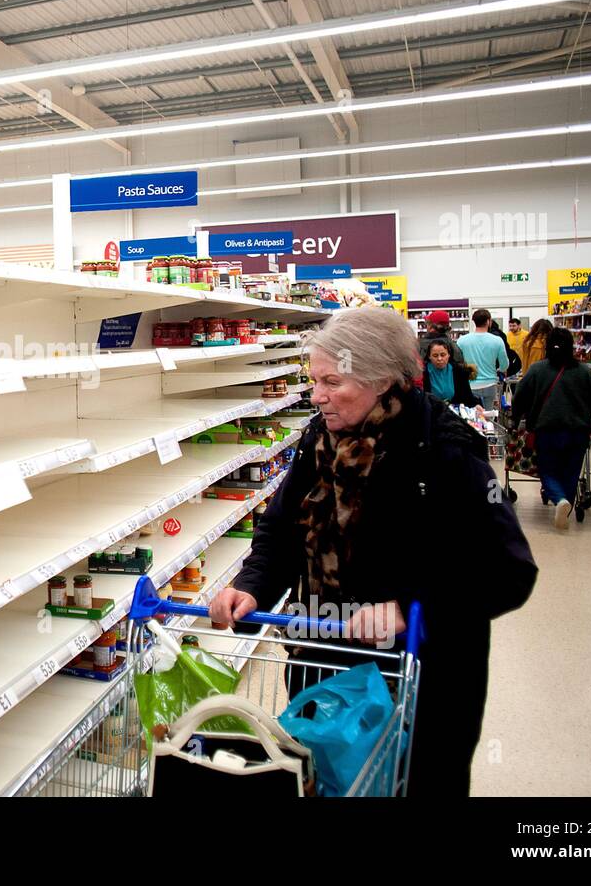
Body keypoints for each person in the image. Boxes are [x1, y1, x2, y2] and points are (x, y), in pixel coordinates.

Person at [209, 307, 537, 796]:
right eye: (313, 380)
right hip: (325, 660)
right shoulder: (319, 440)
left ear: (382, 378)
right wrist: (251, 587)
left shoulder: (445, 453)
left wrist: (406, 610)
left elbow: (508, 571)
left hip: (419, 679)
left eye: (332, 382)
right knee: (327, 780)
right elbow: (280, 530)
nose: (317, 395)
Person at [511, 328, 591, 530]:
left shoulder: (537, 369)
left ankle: (559, 499)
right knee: (571, 472)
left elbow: (520, 396)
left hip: (547, 430)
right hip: (578, 432)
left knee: (548, 470)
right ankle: (566, 508)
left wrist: (516, 418)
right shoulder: (583, 372)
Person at [457, 308, 509, 411]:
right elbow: (505, 364)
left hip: (470, 385)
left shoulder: (462, 340)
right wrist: (500, 369)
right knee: (488, 415)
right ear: (489, 321)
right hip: (490, 384)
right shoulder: (497, 341)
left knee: (471, 416)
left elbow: (458, 362)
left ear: (474, 321)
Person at [421, 340, 479, 407]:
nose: (439, 359)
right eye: (435, 355)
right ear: (429, 356)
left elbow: (467, 396)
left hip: (454, 412)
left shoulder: (459, 371)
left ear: (449, 355)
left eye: (443, 355)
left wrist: (476, 406)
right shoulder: (422, 373)